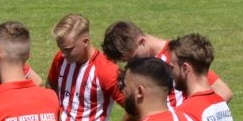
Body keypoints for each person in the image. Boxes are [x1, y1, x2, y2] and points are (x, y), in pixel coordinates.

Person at [100, 20, 234, 106]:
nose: (131, 64)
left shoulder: (178, 55)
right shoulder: (146, 64)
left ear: (142, 42)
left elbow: (224, 92)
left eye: (133, 58)